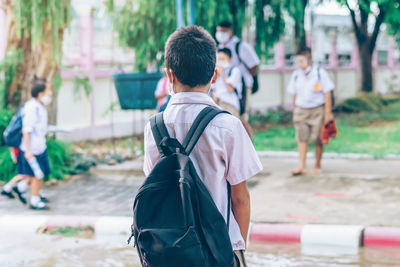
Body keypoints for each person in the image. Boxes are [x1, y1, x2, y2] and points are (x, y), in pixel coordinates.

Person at [143, 26, 263, 266]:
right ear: (214, 76)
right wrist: (237, 250)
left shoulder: (154, 127)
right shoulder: (228, 126)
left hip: (169, 250)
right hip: (218, 250)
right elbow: (240, 199)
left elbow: (153, 186)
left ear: (169, 76)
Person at [287, 47, 335, 176]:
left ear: (310, 60)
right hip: (301, 110)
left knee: (317, 138)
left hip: (317, 110)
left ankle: (317, 165)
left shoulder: (320, 73)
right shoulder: (296, 74)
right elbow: (293, 93)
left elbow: (327, 93)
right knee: (302, 137)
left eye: (302, 61)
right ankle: (301, 166)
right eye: (298, 61)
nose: (300, 64)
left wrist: (328, 113)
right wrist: (296, 108)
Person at [216, 21, 260, 137]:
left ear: (231, 32)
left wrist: (245, 81)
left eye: (224, 32)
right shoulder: (219, 47)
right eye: (219, 31)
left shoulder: (241, 46)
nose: (221, 34)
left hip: (241, 86)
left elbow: (253, 66)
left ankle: (248, 149)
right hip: (224, 87)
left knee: (242, 117)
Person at [18, 79, 53, 210]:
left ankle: (19, 188)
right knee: (37, 175)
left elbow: (38, 127)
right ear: (40, 93)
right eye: (48, 90)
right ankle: (34, 201)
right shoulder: (32, 107)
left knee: (39, 174)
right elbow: (27, 130)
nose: (50, 93)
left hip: (40, 147)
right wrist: (28, 151)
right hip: (32, 149)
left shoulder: (40, 107)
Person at [211, 48, 243, 118]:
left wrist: (222, 74)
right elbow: (213, 89)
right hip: (218, 105)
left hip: (230, 105)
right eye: (219, 59)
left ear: (230, 60)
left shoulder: (235, 71)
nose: (220, 62)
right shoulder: (216, 73)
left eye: (223, 59)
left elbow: (230, 89)